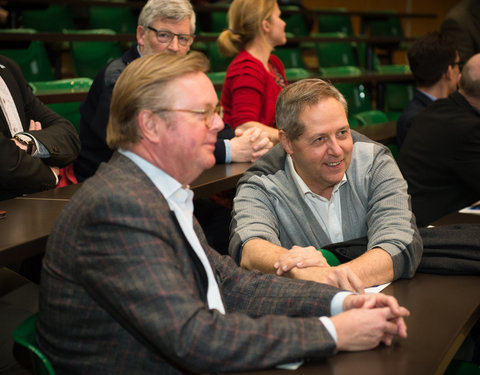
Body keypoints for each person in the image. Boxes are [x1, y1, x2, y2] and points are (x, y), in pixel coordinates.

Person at [37, 51, 410, 374]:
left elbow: (230, 284)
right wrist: (336, 332)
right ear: (150, 124)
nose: (219, 124)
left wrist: (342, 301)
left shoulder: (158, 192)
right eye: (203, 112)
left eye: (215, 111)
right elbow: (194, 337)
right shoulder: (116, 208)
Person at [229, 78, 423, 292]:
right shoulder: (260, 183)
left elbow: (399, 242)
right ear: (287, 142)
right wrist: (297, 267)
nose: (337, 150)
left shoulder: (374, 161)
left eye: (342, 133)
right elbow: (249, 247)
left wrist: (326, 277)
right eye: (319, 139)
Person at [74, 0, 272, 183]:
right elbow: (140, 145)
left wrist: (247, 140)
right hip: (113, 186)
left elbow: (206, 120)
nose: (175, 47)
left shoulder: (177, 76)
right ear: (141, 35)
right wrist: (229, 150)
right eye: (164, 36)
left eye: (183, 38)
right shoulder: (118, 79)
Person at [397, 53, 480, 227]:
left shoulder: (437, 108)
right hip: (432, 230)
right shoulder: (468, 128)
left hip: (417, 216)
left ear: (459, 81)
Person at [0, 55, 80, 201]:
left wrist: (26, 142)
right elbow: (4, 163)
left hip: (31, 204)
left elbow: (69, 135)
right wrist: (49, 174)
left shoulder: (8, 68)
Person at [217, 0, 288, 144]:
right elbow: (244, 126)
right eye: (279, 17)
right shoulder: (246, 69)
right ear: (266, 25)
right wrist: (291, 138)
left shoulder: (274, 63)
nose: (284, 23)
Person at [396, 32, 461, 149]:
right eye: (458, 64)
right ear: (449, 71)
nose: (459, 71)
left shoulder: (449, 108)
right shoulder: (415, 119)